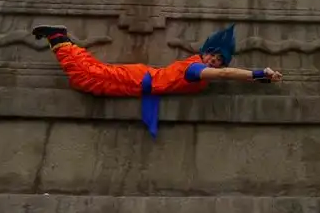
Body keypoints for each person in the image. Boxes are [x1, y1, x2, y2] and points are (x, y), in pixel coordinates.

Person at [31, 23, 283, 137]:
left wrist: (261, 78)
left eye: (220, 60)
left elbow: (225, 72)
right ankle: (58, 37)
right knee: (86, 76)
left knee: (89, 76)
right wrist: (259, 74)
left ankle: (64, 41)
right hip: (140, 80)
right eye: (213, 55)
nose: (215, 62)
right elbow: (225, 75)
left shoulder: (198, 69)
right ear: (205, 52)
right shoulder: (196, 68)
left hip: (141, 82)